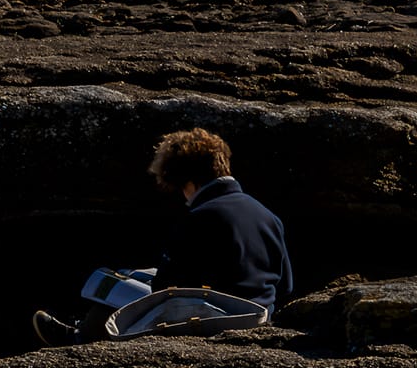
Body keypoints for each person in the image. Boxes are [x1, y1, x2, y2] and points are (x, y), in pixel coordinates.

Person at [31, 127, 292, 346]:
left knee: (117, 287)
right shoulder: (268, 216)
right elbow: (285, 285)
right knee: (137, 276)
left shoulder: (201, 217)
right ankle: (82, 331)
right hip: (259, 317)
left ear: (187, 180)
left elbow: (168, 285)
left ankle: (80, 338)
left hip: (217, 317)